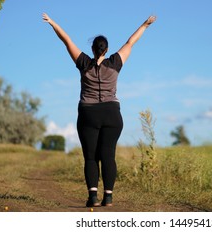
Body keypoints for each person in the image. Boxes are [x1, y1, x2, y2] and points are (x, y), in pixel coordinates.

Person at [42, 13, 156, 207]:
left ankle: (93, 197)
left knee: (91, 157)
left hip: (89, 114)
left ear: (92, 49)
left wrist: (52, 23)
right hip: (112, 114)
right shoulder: (115, 63)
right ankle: (109, 197)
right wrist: (145, 24)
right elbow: (131, 42)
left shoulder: (84, 63)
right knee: (108, 155)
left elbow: (66, 40)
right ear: (107, 49)